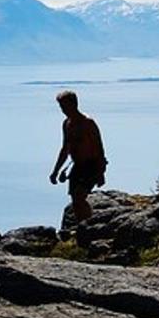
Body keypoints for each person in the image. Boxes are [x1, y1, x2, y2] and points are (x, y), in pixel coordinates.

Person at [49, 90, 107, 236]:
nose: (62, 110)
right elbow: (65, 149)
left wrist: (101, 172)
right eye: (61, 106)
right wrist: (55, 171)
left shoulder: (88, 123)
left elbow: (99, 148)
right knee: (75, 201)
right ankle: (84, 227)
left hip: (92, 164)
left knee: (79, 196)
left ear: (74, 104)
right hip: (77, 166)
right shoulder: (67, 124)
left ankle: (90, 226)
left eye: (64, 106)